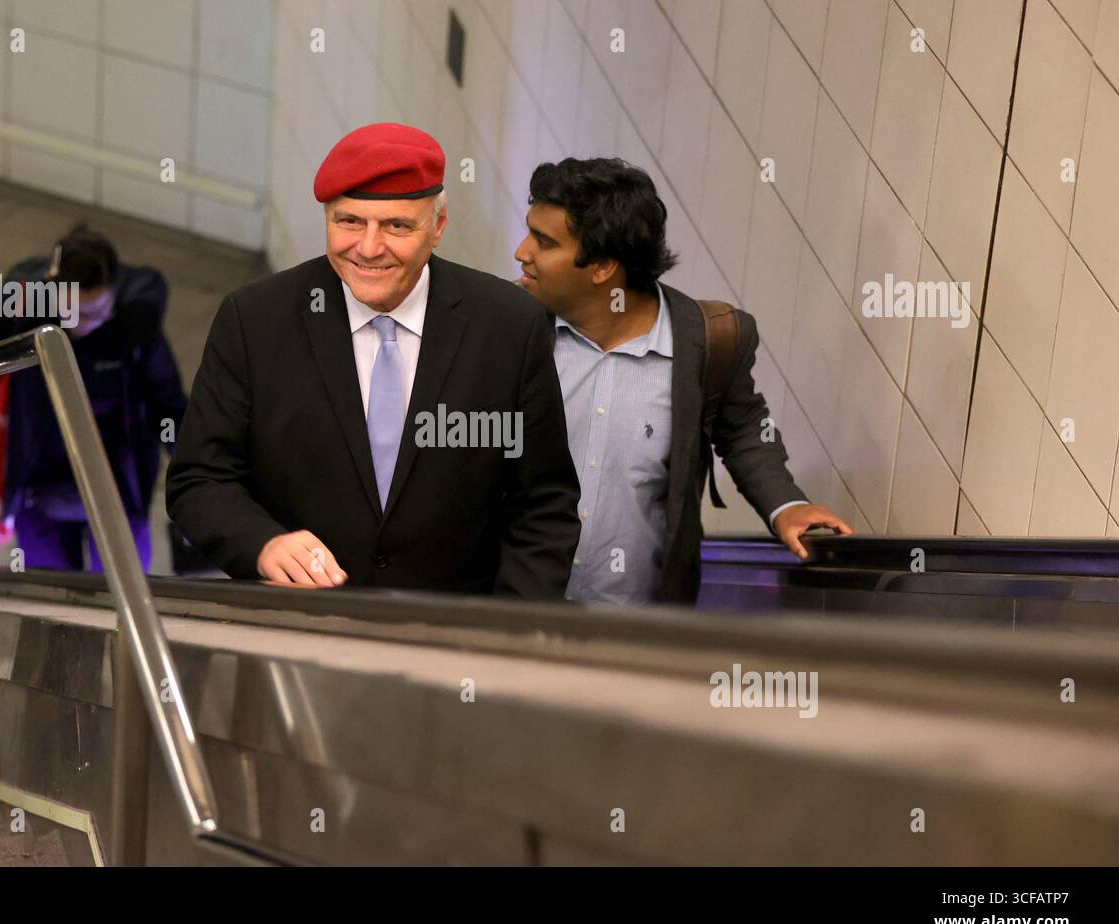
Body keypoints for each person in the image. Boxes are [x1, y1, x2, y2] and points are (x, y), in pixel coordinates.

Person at [167, 123, 580, 597]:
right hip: (296, 633)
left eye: (396, 226)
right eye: (349, 222)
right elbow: (200, 478)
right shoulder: (255, 320)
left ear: (438, 227)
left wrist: (503, 637)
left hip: (455, 642)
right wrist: (263, 544)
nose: (367, 248)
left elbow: (544, 505)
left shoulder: (509, 326)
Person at [513, 158, 853, 605]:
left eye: (544, 241)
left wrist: (788, 506)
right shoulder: (508, 328)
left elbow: (744, 431)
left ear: (601, 267)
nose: (522, 251)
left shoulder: (709, 341)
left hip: (638, 634)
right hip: (512, 623)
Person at [0, 226, 186, 572]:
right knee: (54, 596)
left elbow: (169, 403)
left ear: (113, 297)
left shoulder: (134, 326)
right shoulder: (21, 306)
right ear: (52, 292)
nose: (87, 325)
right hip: (38, 485)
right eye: (74, 313)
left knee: (130, 580)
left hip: (117, 485)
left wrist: (192, 467)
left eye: (99, 313)